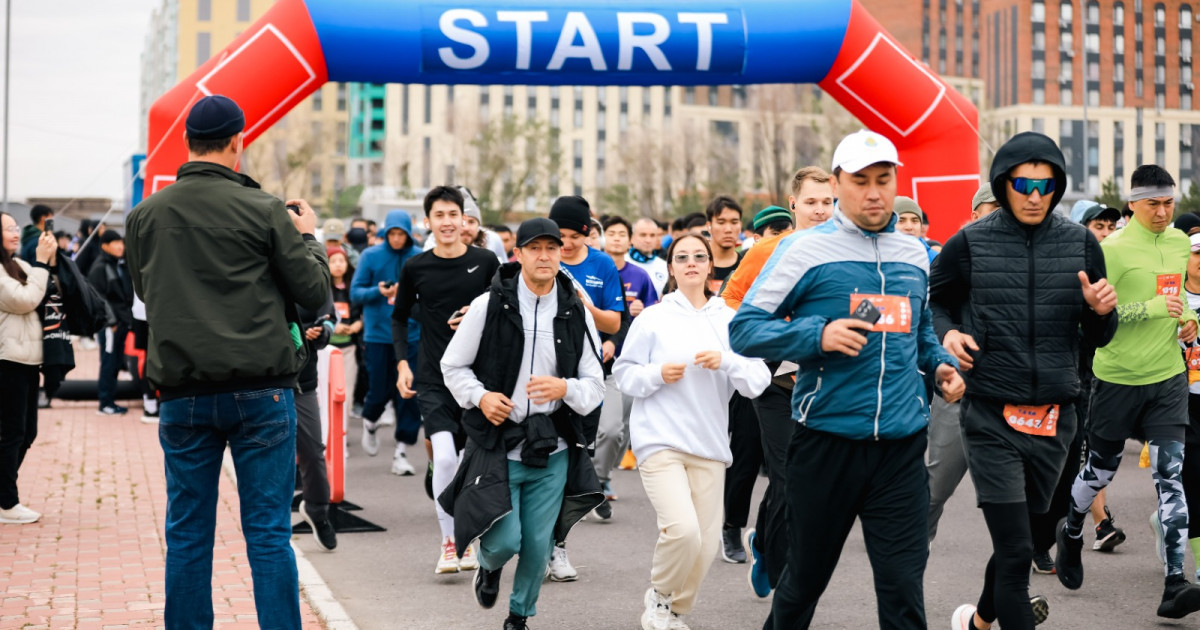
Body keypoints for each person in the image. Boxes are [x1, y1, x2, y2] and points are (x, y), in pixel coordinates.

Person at [729, 129, 964, 630]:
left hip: (901, 449)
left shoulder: (914, 253)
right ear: (838, 184)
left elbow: (919, 333)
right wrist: (819, 334)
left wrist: (941, 365)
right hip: (826, 445)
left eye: (885, 179)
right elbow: (744, 329)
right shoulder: (802, 251)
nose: (875, 192)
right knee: (802, 584)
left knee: (903, 592)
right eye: (861, 181)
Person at [124, 94, 330, 628]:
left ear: (187, 142)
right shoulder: (264, 208)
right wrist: (309, 238)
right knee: (267, 532)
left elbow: (145, 293)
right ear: (238, 143)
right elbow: (312, 292)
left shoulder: (146, 215)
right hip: (262, 387)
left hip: (183, 391)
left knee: (188, 531)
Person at [930, 132, 1118, 630]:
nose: (1035, 195)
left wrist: (1101, 313)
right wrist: (947, 334)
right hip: (992, 413)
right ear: (1003, 183)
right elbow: (935, 303)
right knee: (1016, 553)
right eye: (1023, 183)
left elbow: (1098, 334)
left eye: (1046, 184)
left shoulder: (1081, 243)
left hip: (1057, 419)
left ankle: (978, 623)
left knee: (1021, 543)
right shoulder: (969, 243)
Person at [439, 217, 605, 630]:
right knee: (504, 541)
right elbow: (453, 366)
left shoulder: (574, 310)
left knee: (536, 544)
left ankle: (519, 617)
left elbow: (595, 384)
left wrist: (563, 388)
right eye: (535, 248)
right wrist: (482, 397)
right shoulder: (489, 304)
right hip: (498, 443)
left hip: (552, 447)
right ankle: (489, 565)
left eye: (552, 247)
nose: (545, 255)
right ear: (519, 254)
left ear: (561, 253)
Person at [1057, 164, 1200, 620]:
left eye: (1169, 203)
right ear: (1133, 204)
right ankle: (1073, 529)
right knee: (1099, 473)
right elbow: (1095, 316)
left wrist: (1184, 321)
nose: (1162, 213)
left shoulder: (1179, 242)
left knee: (1170, 479)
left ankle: (1175, 582)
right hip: (1117, 377)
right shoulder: (1111, 250)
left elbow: (1176, 295)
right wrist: (1154, 307)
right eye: (1153, 204)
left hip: (1167, 378)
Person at [614, 233, 769, 630]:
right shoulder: (653, 317)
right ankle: (659, 598)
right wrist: (656, 373)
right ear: (671, 268)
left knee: (702, 547)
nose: (691, 263)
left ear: (709, 266)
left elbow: (758, 379)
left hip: (710, 444)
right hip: (659, 440)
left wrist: (727, 362)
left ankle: (677, 611)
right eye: (682, 257)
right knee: (682, 531)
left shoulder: (729, 319)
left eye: (699, 256)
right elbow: (624, 374)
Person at [718, 172, 828, 597]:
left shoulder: (845, 252)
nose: (821, 209)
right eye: (813, 201)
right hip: (773, 382)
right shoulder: (767, 249)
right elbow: (730, 300)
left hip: (821, 386)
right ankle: (786, 578)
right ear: (793, 203)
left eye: (828, 201)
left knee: (804, 480)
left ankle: (762, 540)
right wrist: (774, 331)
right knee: (788, 477)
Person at [394, 186, 499, 573]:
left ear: (464, 219)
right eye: (439, 215)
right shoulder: (415, 267)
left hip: (478, 378)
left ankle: (474, 536)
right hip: (434, 378)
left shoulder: (487, 262)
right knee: (444, 456)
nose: (448, 222)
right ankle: (451, 544)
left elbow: (505, 309)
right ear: (428, 222)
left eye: (453, 214)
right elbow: (399, 317)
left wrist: (477, 311)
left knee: (475, 462)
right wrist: (403, 365)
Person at [546, 195, 624, 579]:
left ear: (586, 232)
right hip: (546, 381)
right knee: (547, 466)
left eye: (573, 235)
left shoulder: (602, 265)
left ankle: (557, 546)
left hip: (587, 380)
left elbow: (612, 323)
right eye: (558, 236)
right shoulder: (542, 260)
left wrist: (584, 305)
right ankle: (541, 544)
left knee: (574, 466)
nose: (565, 244)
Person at [925, 184, 1000, 547]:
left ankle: (1029, 556)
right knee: (935, 488)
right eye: (991, 208)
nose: (999, 214)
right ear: (974, 214)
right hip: (960, 387)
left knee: (1017, 500)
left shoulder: (1031, 254)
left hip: (1013, 393)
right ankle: (909, 549)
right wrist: (949, 337)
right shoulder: (957, 252)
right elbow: (931, 306)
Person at [593, 215, 659, 518]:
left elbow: (657, 314)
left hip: (628, 360)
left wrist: (642, 310)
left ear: (629, 240)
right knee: (607, 429)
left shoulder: (640, 276)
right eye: (612, 233)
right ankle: (597, 479)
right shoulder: (599, 270)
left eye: (623, 234)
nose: (617, 239)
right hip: (596, 363)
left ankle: (603, 471)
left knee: (622, 429)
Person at [350, 209, 422, 474]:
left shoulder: (419, 257)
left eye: (400, 234)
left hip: (412, 334)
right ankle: (370, 422)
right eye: (391, 233)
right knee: (378, 391)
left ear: (408, 234)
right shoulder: (370, 255)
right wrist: (378, 291)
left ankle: (401, 452)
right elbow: (355, 293)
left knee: (408, 396)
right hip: (378, 335)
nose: (395, 239)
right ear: (384, 233)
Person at [0, 212, 55, 524]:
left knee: (27, 432)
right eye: (8, 228)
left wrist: (47, 261)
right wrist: (43, 264)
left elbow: (41, 288)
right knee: (12, 432)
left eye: (16, 227)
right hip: (8, 359)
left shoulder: (17, 264)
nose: (16, 232)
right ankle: (7, 503)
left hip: (28, 359)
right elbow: (25, 299)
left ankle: (3, 492)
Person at [295, 295, 338, 553]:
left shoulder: (308, 267)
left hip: (303, 381)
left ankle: (317, 510)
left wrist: (322, 332)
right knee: (267, 454)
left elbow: (330, 318)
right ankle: (267, 521)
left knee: (312, 450)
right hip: (261, 378)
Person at [87, 230, 134, 416]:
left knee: (114, 363)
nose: (120, 246)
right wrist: (111, 322)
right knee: (108, 363)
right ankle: (105, 403)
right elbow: (99, 299)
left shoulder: (117, 264)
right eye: (115, 243)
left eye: (121, 242)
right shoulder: (100, 267)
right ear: (105, 245)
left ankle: (109, 401)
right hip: (110, 326)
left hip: (120, 322)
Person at [327, 247, 362, 446]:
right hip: (326, 349)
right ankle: (328, 433)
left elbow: (360, 316)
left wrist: (356, 326)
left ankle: (342, 434)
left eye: (342, 260)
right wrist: (333, 328)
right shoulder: (322, 289)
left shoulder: (352, 289)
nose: (338, 264)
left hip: (348, 349)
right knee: (326, 392)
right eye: (334, 261)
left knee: (346, 392)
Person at [627, 218, 670, 295]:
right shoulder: (622, 263)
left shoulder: (664, 266)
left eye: (652, 235)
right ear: (632, 238)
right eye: (643, 235)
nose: (648, 240)